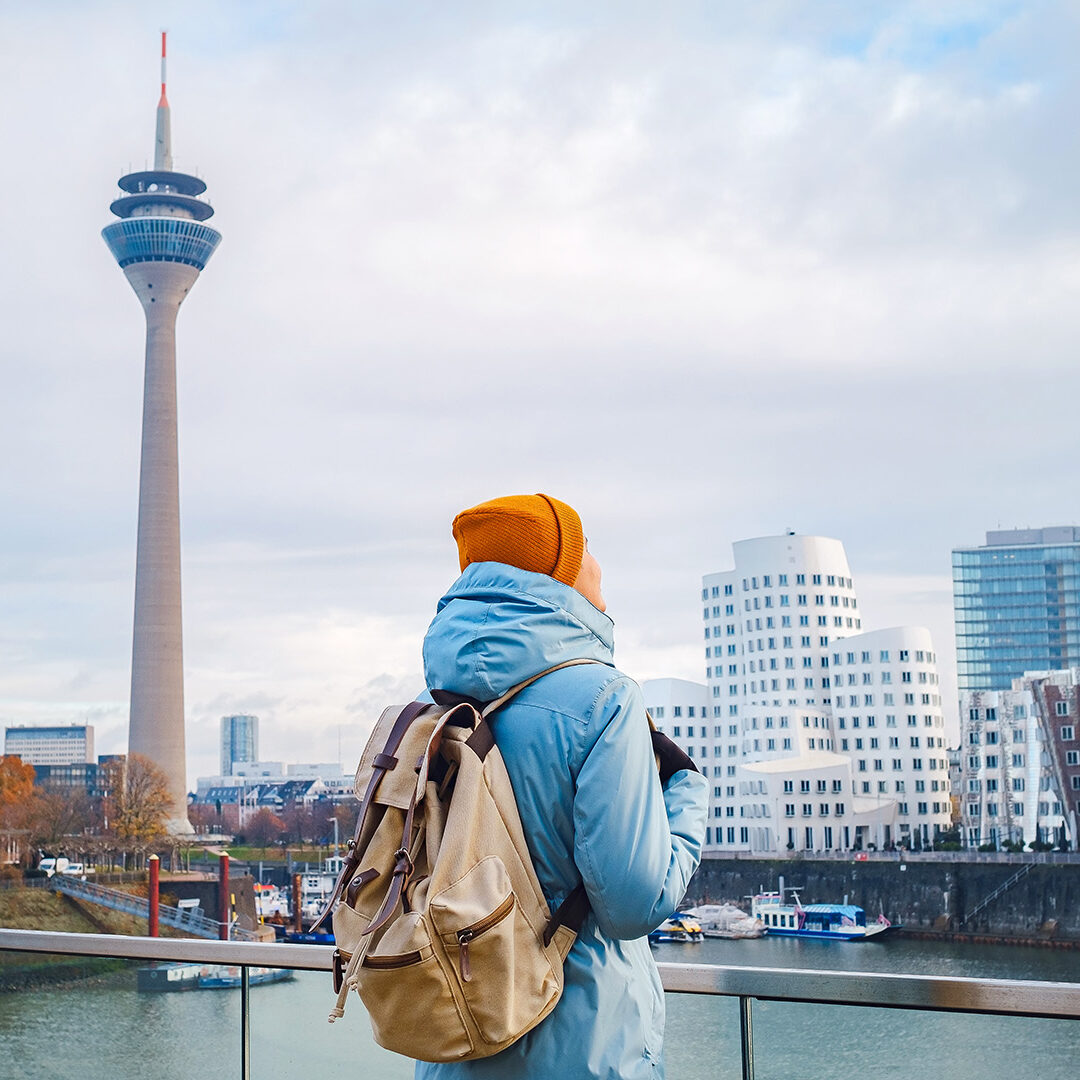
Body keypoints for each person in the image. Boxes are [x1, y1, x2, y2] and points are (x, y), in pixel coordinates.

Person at [415, 493, 708, 1080]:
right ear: (559, 570)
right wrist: (686, 794)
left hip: (457, 1037)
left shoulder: (432, 707)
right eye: (586, 548)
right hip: (582, 1044)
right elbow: (631, 904)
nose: (598, 563)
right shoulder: (604, 699)